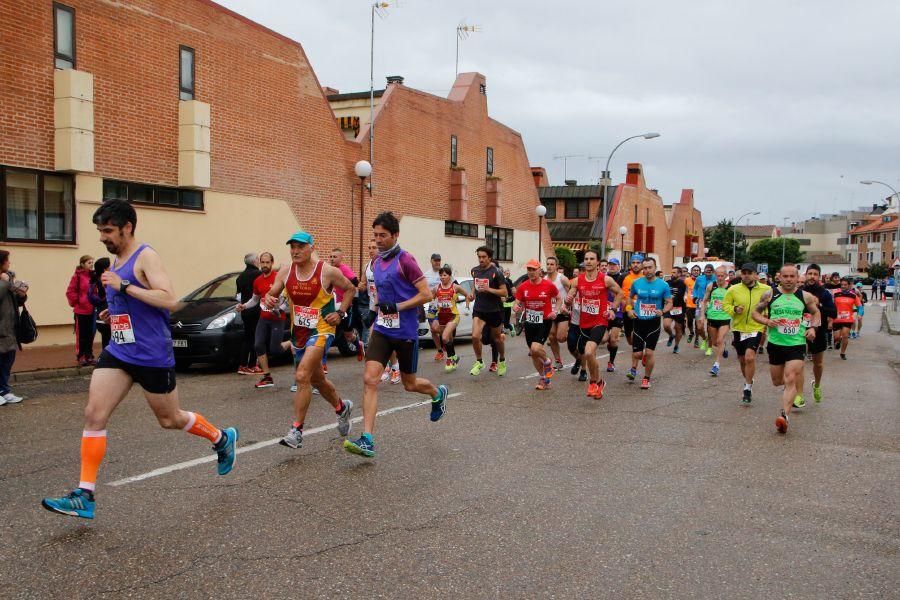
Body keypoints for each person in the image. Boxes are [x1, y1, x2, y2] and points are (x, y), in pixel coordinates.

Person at [42, 200, 237, 519]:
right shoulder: (115, 260)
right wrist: (114, 310)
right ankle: (84, 495)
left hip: (151, 354)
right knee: (94, 413)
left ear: (127, 227)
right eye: (99, 231)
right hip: (120, 350)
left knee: (170, 419)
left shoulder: (145, 256)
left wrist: (125, 286)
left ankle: (220, 437)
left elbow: (169, 300)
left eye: (108, 231)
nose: (103, 237)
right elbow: (131, 301)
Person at [343, 212, 448, 458]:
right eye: (375, 235)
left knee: (409, 384)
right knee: (370, 379)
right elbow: (380, 295)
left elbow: (426, 294)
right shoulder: (377, 263)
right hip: (382, 328)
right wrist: (374, 315)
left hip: (405, 331)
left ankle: (437, 393)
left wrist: (398, 307)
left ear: (395, 235)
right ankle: (367, 439)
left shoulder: (406, 259)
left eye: (383, 236)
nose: (378, 240)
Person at [260, 232, 356, 449]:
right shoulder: (285, 271)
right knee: (317, 381)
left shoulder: (327, 271)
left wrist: (340, 313)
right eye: (292, 247)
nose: (295, 251)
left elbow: (350, 289)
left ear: (311, 248)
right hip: (299, 332)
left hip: (322, 329)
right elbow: (272, 294)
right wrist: (269, 299)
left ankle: (296, 431)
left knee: (302, 375)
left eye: (300, 247)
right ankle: (342, 409)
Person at [752, 265, 820, 434]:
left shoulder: (805, 296)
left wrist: (812, 328)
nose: (789, 279)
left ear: (797, 278)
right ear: (779, 277)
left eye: (792, 276)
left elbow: (816, 314)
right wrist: (767, 322)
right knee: (777, 381)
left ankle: (785, 416)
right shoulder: (770, 295)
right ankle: (791, 389)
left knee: (790, 378)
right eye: (785, 276)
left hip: (796, 344)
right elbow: (755, 313)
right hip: (775, 344)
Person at [568, 250, 622, 398]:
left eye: (592, 259)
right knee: (590, 355)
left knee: (589, 351)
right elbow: (572, 290)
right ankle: (599, 383)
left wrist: (613, 309)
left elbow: (620, 293)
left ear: (598, 262)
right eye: (586, 259)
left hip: (600, 322)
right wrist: (570, 296)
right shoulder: (579, 280)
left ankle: (593, 382)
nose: (589, 261)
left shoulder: (605, 279)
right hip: (584, 322)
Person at [236, 252, 288, 389]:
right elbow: (255, 299)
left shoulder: (278, 278)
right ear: (259, 262)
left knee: (275, 349)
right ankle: (267, 377)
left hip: (277, 318)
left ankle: (291, 343)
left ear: (272, 263)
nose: (265, 265)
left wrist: (280, 309)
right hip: (263, 318)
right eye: (262, 262)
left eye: (267, 262)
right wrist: (244, 306)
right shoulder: (257, 280)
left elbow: (287, 299)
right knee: (258, 345)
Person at [724, 263, 770, 403]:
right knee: (742, 360)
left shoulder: (766, 289)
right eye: (744, 272)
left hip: (756, 327)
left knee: (750, 357)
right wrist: (734, 309)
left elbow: (771, 305)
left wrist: (766, 317)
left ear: (755, 275)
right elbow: (725, 305)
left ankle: (747, 388)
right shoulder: (733, 289)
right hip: (739, 328)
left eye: (749, 272)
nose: (746, 275)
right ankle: (748, 380)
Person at [513, 259, 562, 390]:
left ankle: (547, 361)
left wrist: (555, 311)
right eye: (529, 269)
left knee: (535, 348)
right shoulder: (523, 286)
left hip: (544, 321)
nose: (531, 272)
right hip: (530, 322)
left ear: (540, 270)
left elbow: (559, 299)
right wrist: (516, 307)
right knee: (533, 353)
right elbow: (517, 302)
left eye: (534, 269)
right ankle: (544, 378)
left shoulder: (548, 285)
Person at [626, 257, 672, 389]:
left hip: (653, 323)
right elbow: (629, 298)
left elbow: (669, 302)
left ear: (655, 267)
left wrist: (663, 311)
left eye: (649, 267)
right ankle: (640, 360)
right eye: (645, 268)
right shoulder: (636, 283)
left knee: (650, 352)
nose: (647, 270)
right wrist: (630, 310)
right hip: (639, 321)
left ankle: (646, 379)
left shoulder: (663, 285)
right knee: (638, 354)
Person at [469, 246, 508, 376]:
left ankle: (502, 359)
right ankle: (479, 361)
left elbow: (504, 292)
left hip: (494, 310)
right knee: (475, 336)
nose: (481, 259)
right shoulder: (474, 271)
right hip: (479, 309)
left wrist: (489, 289)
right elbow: (475, 285)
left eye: (484, 257)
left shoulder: (496, 272)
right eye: (479, 257)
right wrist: (472, 294)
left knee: (497, 339)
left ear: (489, 257)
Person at [802, 264, 835, 404]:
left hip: (819, 331)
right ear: (806, 275)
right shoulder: (799, 291)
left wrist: (819, 305)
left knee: (818, 363)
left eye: (815, 274)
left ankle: (816, 385)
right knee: (798, 362)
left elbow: (834, 312)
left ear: (819, 277)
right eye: (810, 273)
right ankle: (798, 392)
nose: (812, 276)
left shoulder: (824, 293)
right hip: (800, 330)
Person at [0, 250, 28, 405]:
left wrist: (22, 294)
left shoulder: (8, 278)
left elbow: (15, 301)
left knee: (8, 360)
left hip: (10, 327)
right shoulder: (4, 280)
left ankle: (4, 390)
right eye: (7, 260)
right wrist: (4, 283)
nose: (9, 263)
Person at [432, 265, 470, 372]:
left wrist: (467, 305)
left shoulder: (455, 287)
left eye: (445, 275)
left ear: (449, 276)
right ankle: (454, 357)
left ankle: (449, 359)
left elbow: (467, 295)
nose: (442, 277)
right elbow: (430, 298)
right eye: (441, 275)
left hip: (453, 316)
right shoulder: (436, 288)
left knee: (444, 337)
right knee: (448, 339)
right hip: (441, 317)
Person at [66, 255, 97, 366]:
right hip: (81, 311)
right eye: (89, 262)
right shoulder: (77, 276)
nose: (91, 264)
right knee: (82, 336)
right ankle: (81, 356)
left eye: (92, 262)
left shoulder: (94, 276)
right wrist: (77, 302)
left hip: (93, 310)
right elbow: (70, 291)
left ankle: (89, 356)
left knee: (91, 334)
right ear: (83, 264)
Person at [702, 266, 732, 375]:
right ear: (715, 275)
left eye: (722, 276)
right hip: (712, 317)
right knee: (715, 342)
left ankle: (716, 365)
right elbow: (704, 300)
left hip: (725, 317)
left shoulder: (730, 288)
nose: (720, 278)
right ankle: (723, 349)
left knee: (720, 340)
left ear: (726, 276)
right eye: (718, 275)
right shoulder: (711, 286)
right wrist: (702, 316)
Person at [235, 253, 262, 375]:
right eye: (258, 259)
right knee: (256, 337)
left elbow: (238, 296)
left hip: (245, 310)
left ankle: (242, 365)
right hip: (256, 309)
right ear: (255, 261)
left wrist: (243, 305)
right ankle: (252, 365)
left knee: (247, 337)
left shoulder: (240, 277)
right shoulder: (258, 274)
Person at [544, 256, 570, 371]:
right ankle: (558, 360)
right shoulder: (544, 280)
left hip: (562, 311)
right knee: (551, 336)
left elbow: (572, 294)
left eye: (552, 264)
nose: (549, 266)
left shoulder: (562, 279)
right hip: (551, 312)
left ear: (556, 266)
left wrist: (568, 306)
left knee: (561, 337)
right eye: (548, 264)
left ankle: (572, 333)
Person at [422, 253, 447, 359]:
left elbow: (454, 286)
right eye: (435, 260)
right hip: (432, 306)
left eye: (439, 260)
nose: (437, 262)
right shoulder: (426, 275)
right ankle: (440, 350)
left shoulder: (445, 273)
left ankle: (446, 340)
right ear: (431, 261)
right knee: (433, 330)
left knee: (437, 327)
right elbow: (424, 290)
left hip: (443, 306)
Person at [831, 277, 861, 360]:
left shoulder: (853, 295)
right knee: (836, 337)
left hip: (848, 319)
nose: (843, 286)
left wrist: (860, 314)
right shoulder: (835, 294)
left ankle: (843, 352)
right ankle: (837, 341)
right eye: (842, 285)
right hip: (836, 319)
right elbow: (830, 304)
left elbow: (860, 306)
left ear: (849, 285)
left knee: (845, 335)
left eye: (845, 285)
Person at [604, 258, 625, 373]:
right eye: (610, 265)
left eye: (614, 265)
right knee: (604, 339)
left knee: (614, 339)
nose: (612, 267)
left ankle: (611, 362)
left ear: (619, 266)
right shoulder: (604, 278)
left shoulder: (623, 278)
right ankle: (610, 345)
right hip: (605, 312)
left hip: (618, 312)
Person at [89, 258, 112, 349]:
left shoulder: (94, 279)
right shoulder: (105, 281)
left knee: (105, 342)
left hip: (99, 316)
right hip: (107, 316)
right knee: (110, 343)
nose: (111, 267)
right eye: (109, 266)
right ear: (104, 269)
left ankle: (105, 360)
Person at [692, 263, 715, 351]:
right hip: (700, 303)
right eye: (706, 271)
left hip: (711, 303)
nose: (707, 273)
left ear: (712, 271)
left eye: (709, 271)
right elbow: (695, 288)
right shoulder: (699, 278)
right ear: (704, 271)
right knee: (699, 326)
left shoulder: (715, 279)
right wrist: (695, 297)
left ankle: (709, 347)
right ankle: (704, 339)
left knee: (709, 327)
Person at [663, 267, 687, 353]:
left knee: (678, 328)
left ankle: (676, 346)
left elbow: (679, 295)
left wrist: (669, 299)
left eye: (674, 272)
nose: (672, 274)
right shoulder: (666, 283)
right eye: (671, 272)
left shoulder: (682, 284)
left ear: (679, 274)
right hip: (668, 307)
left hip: (678, 308)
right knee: (666, 325)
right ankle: (671, 335)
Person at [684, 265, 699, 345]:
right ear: (691, 271)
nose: (696, 271)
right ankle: (691, 332)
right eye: (694, 270)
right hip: (689, 305)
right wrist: (685, 296)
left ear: (699, 272)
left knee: (697, 324)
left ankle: (696, 339)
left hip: (698, 306)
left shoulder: (701, 280)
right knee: (689, 322)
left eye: (697, 270)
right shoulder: (687, 280)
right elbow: (685, 290)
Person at [502, 267, 515, 334]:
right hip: (501, 303)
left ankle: (510, 327)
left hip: (507, 303)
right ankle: (502, 331)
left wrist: (508, 298)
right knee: (501, 319)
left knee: (506, 322)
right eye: (506, 273)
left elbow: (513, 293)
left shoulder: (509, 281)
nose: (507, 274)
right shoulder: (501, 280)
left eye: (508, 273)